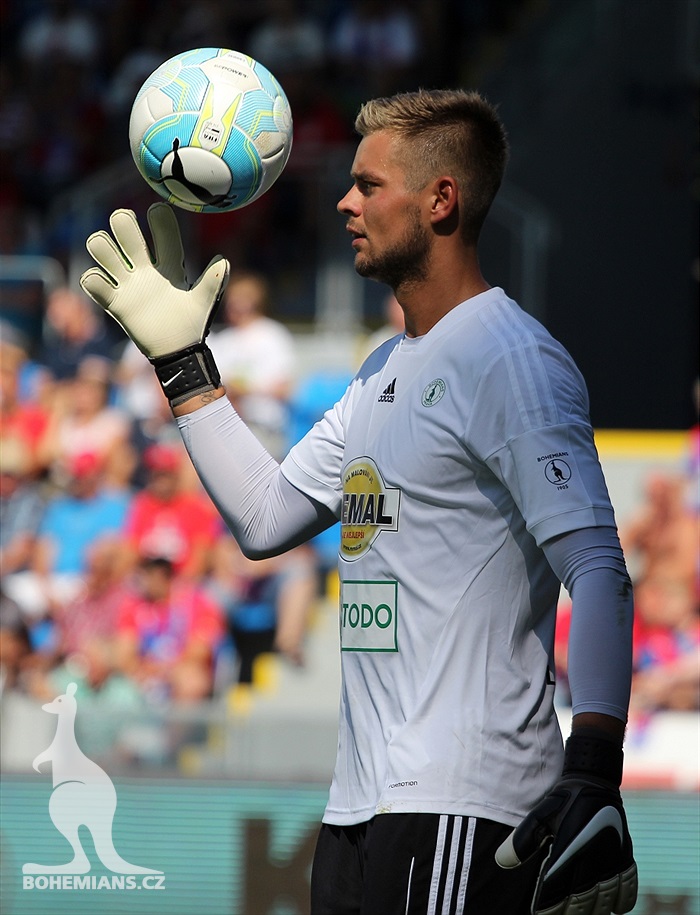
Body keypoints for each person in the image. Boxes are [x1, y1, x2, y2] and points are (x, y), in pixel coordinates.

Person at [80, 89, 637, 915]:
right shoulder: (383, 367)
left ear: (440, 199)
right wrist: (182, 364)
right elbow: (266, 518)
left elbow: (597, 568)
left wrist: (593, 771)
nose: (344, 202)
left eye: (369, 185)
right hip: (360, 806)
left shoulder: (511, 359)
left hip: (463, 801)